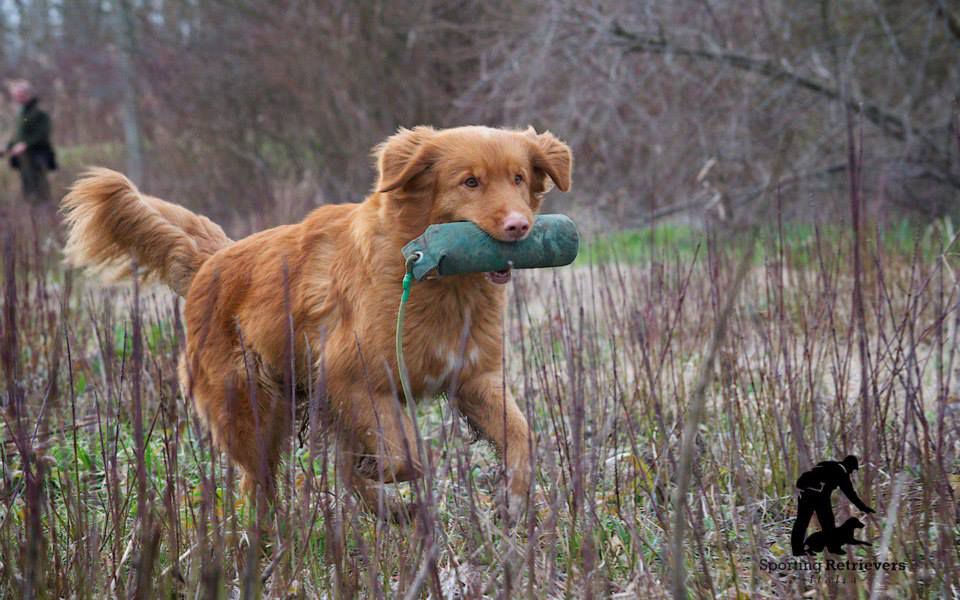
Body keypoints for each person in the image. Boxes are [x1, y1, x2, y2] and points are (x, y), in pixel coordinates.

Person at [790, 455, 875, 556]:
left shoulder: (828, 465)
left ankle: (797, 550)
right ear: (848, 465)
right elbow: (850, 493)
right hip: (820, 497)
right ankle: (833, 548)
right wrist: (863, 507)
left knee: (802, 521)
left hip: (804, 494)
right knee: (828, 523)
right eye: (852, 469)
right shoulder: (841, 473)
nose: (852, 472)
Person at [5, 80, 56, 204]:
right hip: (24, 157)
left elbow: (43, 133)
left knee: (39, 183)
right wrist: (8, 147)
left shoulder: (38, 112)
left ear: (28, 94)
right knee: (27, 183)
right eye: (16, 95)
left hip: (38, 153)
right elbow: (18, 135)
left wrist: (26, 144)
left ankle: (44, 210)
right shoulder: (21, 112)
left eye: (20, 94)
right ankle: (32, 210)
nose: (17, 98)